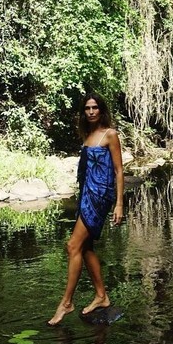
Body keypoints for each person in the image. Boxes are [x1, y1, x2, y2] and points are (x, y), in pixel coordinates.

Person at [47, 92, 124, 326]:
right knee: (86, 246)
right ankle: (102, 296)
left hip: (100, 197)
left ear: (101, 110)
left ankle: (66, 303)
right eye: (87, 108)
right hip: (86, 195)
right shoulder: (88, 135)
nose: (91, 112)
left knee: (72, 245)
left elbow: (119, 171)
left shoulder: (110, 135)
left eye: (95, 108)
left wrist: (119, 204)